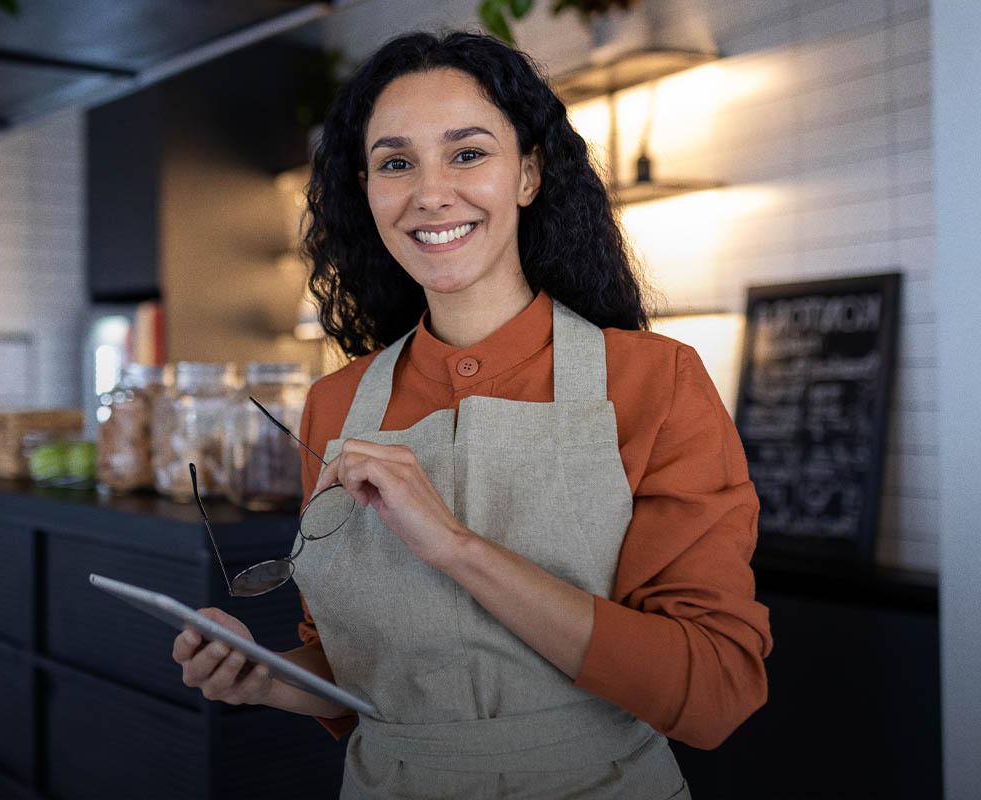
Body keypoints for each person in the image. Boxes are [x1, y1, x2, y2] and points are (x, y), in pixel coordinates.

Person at [173, 30, 772, 799]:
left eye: (467, 153)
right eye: (397, 163)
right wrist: (268, 678)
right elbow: (357, 674)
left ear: (528, 172)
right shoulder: (335, 404)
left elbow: (716, 690)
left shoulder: (656, 381)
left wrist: (456, 546)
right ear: (367, 190)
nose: (430, 193)